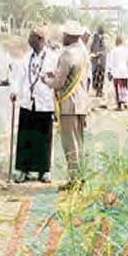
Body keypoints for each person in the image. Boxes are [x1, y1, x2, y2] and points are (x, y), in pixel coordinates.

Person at [43, 21, 90, 189]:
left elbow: (58, 82)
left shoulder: (67, 55)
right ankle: (81, 177)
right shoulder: (83, 51)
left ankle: (74, 181)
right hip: (82, 103)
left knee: (69, 144)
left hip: (69, 105)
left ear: (70, 37)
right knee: (79, 141)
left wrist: (46, 79)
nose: (62, 37)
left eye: (65, 35)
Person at [11, 27, 57, 183]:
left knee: (44, 138)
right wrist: (15, 91)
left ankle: (44, 170)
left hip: (44, 102)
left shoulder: (52, 58)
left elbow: (56, 80)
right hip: (28, 102)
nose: (29, 40)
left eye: (32, 37)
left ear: (40, 39)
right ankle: (23, 169)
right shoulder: (26, 58)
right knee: (26, 137)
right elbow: (19, 76)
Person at [108, 35, 128, 110]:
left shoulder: (113, 51)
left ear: (116, 42)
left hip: (116, 72)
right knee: (124, 87)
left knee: (118, 88)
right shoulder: (126, 50)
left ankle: (119, 105)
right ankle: (125, 103)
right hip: (124, 72)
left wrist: (109, 72)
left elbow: (110, 62)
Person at [90, 26, 107, 97]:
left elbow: (104, 50)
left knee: (101, 77)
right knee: (96, 77)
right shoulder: (95, 40)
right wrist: (98, 53)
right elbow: (94, 50)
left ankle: (99, 91)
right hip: (96, 62)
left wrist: (102, 53)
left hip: (101, 62)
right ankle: (97, 91)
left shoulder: (101, 40)